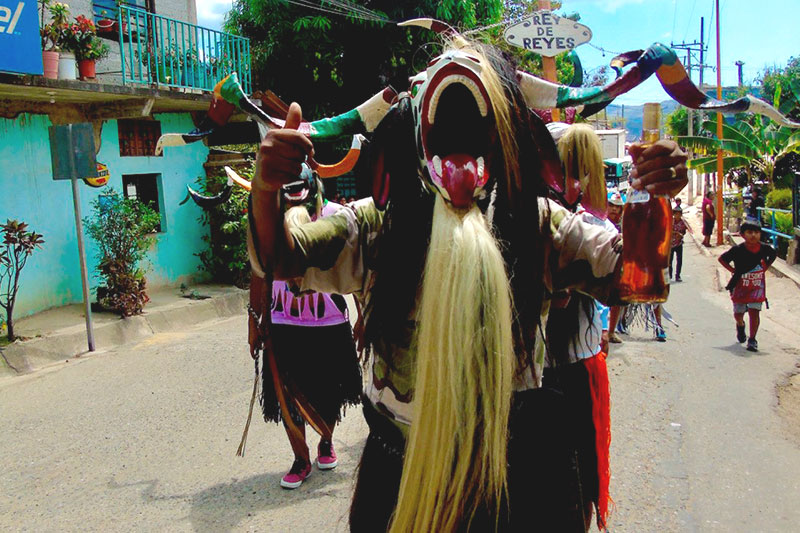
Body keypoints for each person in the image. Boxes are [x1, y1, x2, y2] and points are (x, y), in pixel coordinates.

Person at [249, 36, 687, 532]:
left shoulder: (539, 226)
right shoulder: (375, 228)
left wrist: (654, 198)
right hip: (399, 480)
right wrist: (266, 187)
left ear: (505, 135)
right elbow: (278, 257)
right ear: (415, 131)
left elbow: (630, 279)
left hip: (517, 485)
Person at [261, 167, 362, 489]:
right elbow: (259, 271)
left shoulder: (336, 217)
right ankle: (300, 458)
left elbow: (354, 267)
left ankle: (326, 441)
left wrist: (363, 317)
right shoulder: (269, 219)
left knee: (329, 391)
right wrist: (255, 320)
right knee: (287, 395)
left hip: (329, 320)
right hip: (283, 320)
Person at [718, 217, 776, 352]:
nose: (753, 235)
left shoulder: (765, 249)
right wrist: (733, 271)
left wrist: (765, 268)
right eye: (750, 232)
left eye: (756, 232)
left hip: (757, 286)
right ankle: (740, 325)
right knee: (738, 313)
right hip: (740, 286)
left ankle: (752, 339)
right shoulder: (737, 250)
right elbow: (722, 259)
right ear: (743, 235)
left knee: (754, 312)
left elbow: (773, 256)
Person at [669, 205, 692, 282]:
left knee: (679, 260)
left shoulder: (683, 223)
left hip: (679, 243)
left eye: (679, 214)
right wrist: (675, 233)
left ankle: (678, 275)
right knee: (670, 260)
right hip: (671, 244)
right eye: (676, 214)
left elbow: (685, 231)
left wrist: (681, 234)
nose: (677, 215)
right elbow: (667, 230)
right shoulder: (670, 222)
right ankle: (670, 274)